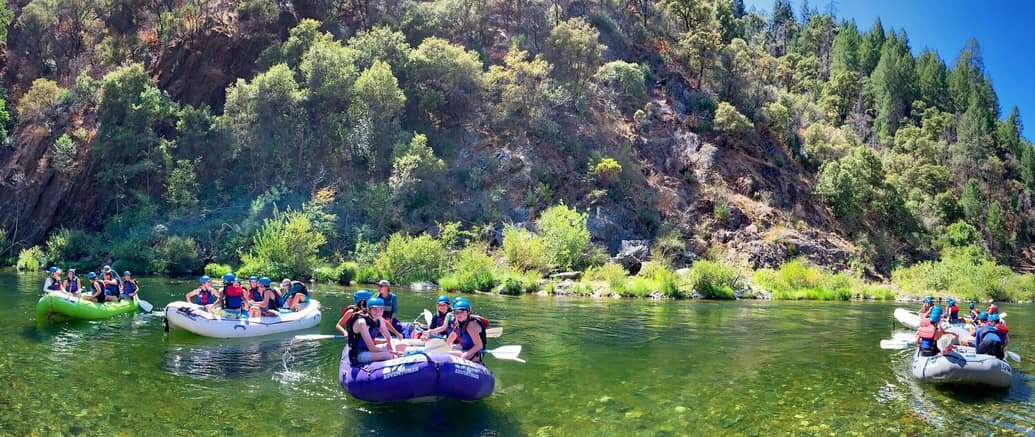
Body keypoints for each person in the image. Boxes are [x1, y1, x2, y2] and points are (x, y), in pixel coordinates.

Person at [345, 297, 398, 364]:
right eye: (375, 309)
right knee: (389, 355)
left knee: (400, 346)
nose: (378, 312)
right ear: (369, 310)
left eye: (381, 309)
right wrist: (391, 352)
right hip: (360, 354)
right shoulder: (362, 322)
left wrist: (393, 350)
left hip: (371, 350)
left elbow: (389, 338)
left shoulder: (379, 319)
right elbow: (371, 348)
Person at [446, 298, 489, 362]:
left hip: (476, 353)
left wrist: (465, 355)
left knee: (445, 354)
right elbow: (452, 336)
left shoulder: (471, 326)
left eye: (462, 311)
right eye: (456, 312)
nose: (459, 314)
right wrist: (444, 346)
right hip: (466, 348)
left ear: (468, 312)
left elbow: (479, 346)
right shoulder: (458, 323)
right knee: (449, 348)